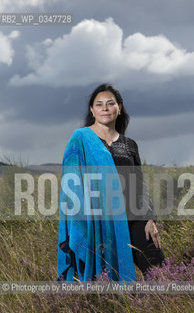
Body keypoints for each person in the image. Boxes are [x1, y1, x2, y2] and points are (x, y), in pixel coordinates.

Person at [57, 83, 165, 282]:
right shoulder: (80, 138)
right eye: (99, 104)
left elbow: (139, 185)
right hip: (99, 221)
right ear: (92, 109)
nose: (105, 109)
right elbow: (70, 184)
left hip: (135, 217)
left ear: (119, 107)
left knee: (158, 271)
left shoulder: (129, 144)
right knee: (106, 279)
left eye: (110, 103)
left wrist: (150, 218)